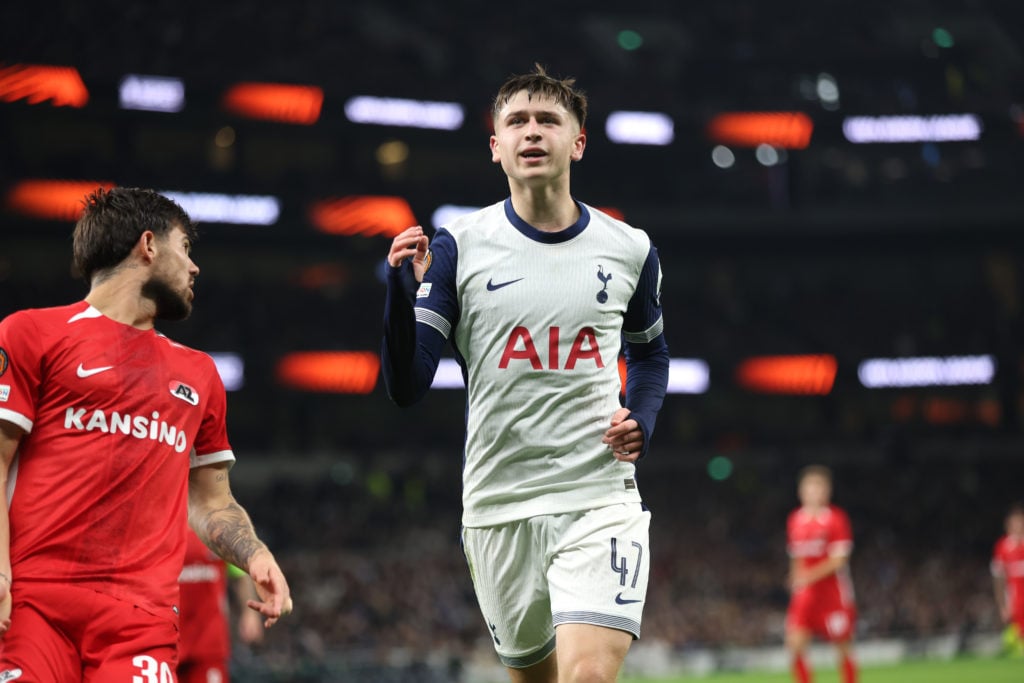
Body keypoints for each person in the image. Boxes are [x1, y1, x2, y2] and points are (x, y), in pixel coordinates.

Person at [381, 65, 669, 683]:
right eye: (516, 121)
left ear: (578, 142)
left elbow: (649, 357)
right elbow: (408, 386)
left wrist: (642, 418)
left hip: (598, 497)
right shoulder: (458, 245)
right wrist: (398, 298)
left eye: (548, 121)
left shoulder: (630, 249)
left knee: (587, 676)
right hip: (497, 507)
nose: (531, 132)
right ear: (496, 147)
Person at [0, 187, 292, 682]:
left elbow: (211, 502)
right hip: (33, 605)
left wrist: (255, 552)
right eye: (186, 249)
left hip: (141, 624)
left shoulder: (199, 374)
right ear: (149, 245)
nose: (195, 267)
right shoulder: (31, 335)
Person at [785, 465, 857, 683]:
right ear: (801, 491)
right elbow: (796, 556)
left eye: (819, 488)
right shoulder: (795, 520)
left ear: (827, 491)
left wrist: (807, 576)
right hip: (806, 595)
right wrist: (795, 580)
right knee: (794, 644)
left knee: (842, 646)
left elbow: (839, 560)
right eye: (810, 488)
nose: (814, 492)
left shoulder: (836, 519)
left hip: (833, 594)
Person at [178, 528, 265, 683]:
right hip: (168, 640)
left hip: (209, 640)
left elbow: (240, 575)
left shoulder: (217, 532)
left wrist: (250, 613)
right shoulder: (162, 529)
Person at [991, 503, 1024, 657]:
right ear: (1008, 525)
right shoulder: (1003, 546)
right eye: (1015, 522)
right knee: (1014, 633)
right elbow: (998, 577)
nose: (1018, 526)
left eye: (1021, 522)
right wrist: (1002, 604)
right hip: (1014, 598)